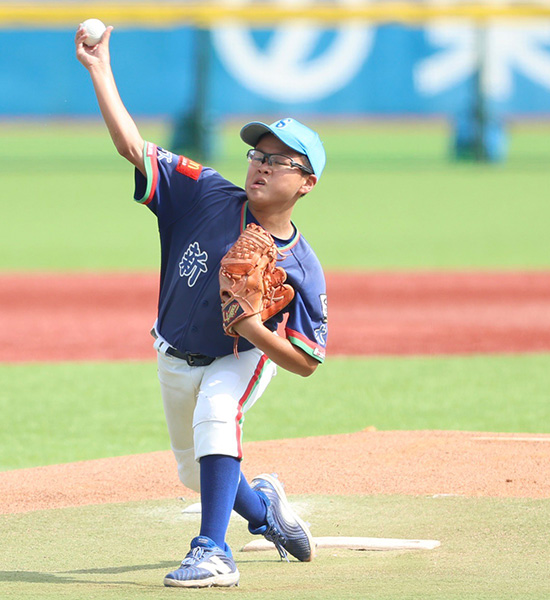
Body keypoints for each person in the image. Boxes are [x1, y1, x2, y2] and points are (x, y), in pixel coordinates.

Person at [76, 24, 329, 588]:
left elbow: (308, 360)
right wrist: (99, 69)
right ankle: (265, 510)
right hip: (172, 350)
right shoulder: (205, 192)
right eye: (258, 153)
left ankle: (213, 552)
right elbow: (134, 148)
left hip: (241, 355)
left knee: (219, 413)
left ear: (306, 183)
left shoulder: (303, 267)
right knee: (198, 471)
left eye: (281, 160)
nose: (262, 164)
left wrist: (253, 328)